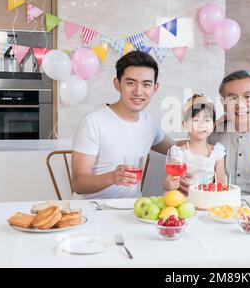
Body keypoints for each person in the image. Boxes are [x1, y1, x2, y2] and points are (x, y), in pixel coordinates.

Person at [71, 51, 175, 199]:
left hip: (131, 210)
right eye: (131, 83)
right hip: (93, 211)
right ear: (117, 84)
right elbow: (78, 184)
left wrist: (208, 133)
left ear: (155, 88)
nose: (138, 92)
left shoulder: (148, 123)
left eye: (146, 84)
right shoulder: (93, 122)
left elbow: (176, 148)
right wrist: (112, 177)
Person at [177, 70, 250, 195]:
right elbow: (187, 152)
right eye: (232, 98)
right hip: (219, 207)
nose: (240, 105)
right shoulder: (211, 136)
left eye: (247, 97)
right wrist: (185, 182)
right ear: (224, 104)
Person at [162, 94, 227, 191]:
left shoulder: (217, 152)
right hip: (182, 201)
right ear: (185, 124)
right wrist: (168, 184)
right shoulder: (179, 152)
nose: (201, 125)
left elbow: (222, 185)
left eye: (207, 120)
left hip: (206, 201)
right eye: (196, 120)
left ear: (213, 125)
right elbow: (168, 183)